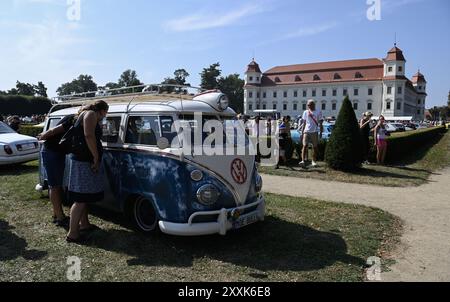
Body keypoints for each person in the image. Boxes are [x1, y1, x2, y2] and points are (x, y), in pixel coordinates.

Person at [66, 100, 109, 244]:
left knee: (82, 195)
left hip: (81, 158)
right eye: (105, 113)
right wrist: (96, 157)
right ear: (102, 110)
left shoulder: (85, 113)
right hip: (83, 160)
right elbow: (88, 135)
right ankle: (73, 234)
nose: (104, 116)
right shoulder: (90, 114)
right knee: (80, 199)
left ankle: (84, 225)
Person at [37, 114, 76, 227]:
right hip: (52, 151)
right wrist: (43, 135)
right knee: (54, 185)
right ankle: (59, 217)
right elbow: (54, 130)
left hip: (55, 151)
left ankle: (56, 213)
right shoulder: (72, 119)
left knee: (55, 184)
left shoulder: (74, 118)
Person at [299, 100, 323, 168]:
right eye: (308, 105)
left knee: (315, 147)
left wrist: (321, 132)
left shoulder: (318, 111)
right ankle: (303, 161)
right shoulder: (305, 112)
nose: (308, 106)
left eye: (309, 105)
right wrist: (302, 132)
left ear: (313, 104)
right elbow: (304, 123)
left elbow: (321, 123)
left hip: (314, 131)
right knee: (304, 145)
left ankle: (313, 161)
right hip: (306, 131)